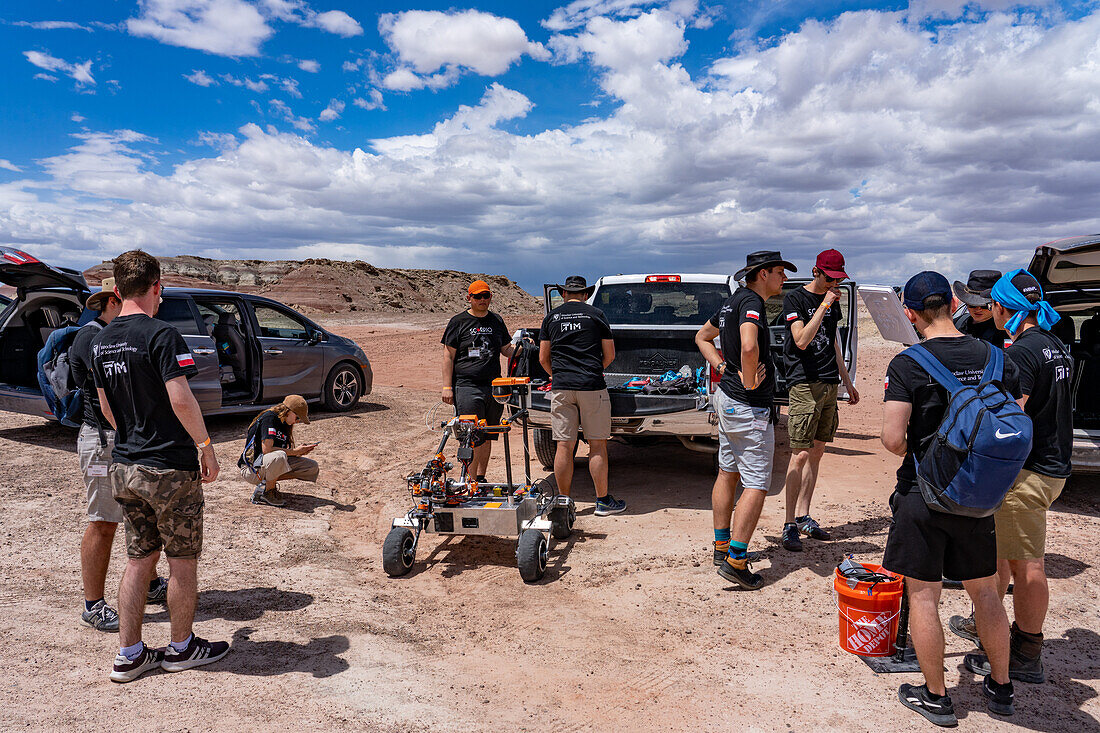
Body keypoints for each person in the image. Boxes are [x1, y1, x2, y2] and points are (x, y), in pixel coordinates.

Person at [880, 271, 1017, 726]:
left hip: (925, 494)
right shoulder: (997, 359)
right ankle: (1001, 686)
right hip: (979, 493)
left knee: (923, 598)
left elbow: (892, 438)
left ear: (910, 312)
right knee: (986, 594)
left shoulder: (908, 364)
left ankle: (936, 696)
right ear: (955, 301)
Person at [91, 250, 228, 683]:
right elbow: (181, 397)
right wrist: (204, 444)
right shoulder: (163, 335)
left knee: (138, 560)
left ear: (116, 290)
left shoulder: (101, 340)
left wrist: (132, 435)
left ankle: (129, 655)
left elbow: (106, 408)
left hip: (126, 464)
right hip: (168, 465)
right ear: (156, 287)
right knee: (182, 561)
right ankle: (182, 648)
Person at [952, 270, 1074, 685]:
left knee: (1027, 565)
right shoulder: (1055, 345)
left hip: (1028, 473)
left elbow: (1009, 419)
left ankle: (1026, 651)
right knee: (1003, 554)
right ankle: (991, 628)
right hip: (1053, 465)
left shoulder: (1021, 353)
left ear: (1003, 307)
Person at [70, 278, 167, 631]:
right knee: (104, 522)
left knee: (139, 514)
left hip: (122, 436)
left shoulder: (110, 335)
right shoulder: (92, 338)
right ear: (115, 301)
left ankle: (153, 585)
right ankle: (93, 605)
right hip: (103, 439)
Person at [695, 251, 793, 589]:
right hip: (748, 405)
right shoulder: (751, 303)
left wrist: (722, 367)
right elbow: (750, 346)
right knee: (756, 483)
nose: (783, 278)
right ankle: (736, 560)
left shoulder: (730, 302)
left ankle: (721, 548)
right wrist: (750, 378)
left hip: (727, 400)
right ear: (763, 274)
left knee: (727, 471)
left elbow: (702, 337)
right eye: (780, 272)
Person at [778, 249, 860, 552]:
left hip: (828, 383)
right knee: (799, 453)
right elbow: (801, 340)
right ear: (816, 272)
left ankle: (804, 515)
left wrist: (847, 382)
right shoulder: (796, 300)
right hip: (803, 383)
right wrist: (824, 305)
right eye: (829, 278)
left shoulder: (832, 302)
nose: (833, 284)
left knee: (817, 450)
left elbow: (834, 341)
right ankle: (788, 524)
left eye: (837, 279)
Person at [538, 275, 625, 516]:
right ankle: (603, 502)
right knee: (597, 446)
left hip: (562, 386)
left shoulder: (551, 318)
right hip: (591, 385)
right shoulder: (596, 315)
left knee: (564, 446)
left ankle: (564, 503)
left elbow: (543, 358)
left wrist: (559, 375)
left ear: (563, 294)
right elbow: (610, 354)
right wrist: (594, 371)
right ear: (585, 295)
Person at [441, 280, 514, 481]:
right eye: (478, 296)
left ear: (490, 297)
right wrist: (447, 386)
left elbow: (506, 349)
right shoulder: (458, 322)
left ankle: (480, 478)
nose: (482, 300)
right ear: (469, 298)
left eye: (486, 296)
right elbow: (448, 356)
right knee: (470, 435)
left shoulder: (497, 321)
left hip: (493, 387)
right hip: (467, 387)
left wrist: (524, 347)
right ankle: (469, 481)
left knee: (488, 434)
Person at [239, 395, 319, 507]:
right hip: (251, 469)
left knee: (311, 467)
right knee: (279, 456)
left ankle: (266, 484)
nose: (298, 421)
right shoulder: (270, 418)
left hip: (265, 465)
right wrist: (295, 452)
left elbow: (283, 453)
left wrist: (300, 452)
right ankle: (267, 492)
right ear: (289, 411)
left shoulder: (285, 423)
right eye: (297, 417)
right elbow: (267, 450)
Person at [952, 270, 1008, 347]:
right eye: (972, 304)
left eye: (984, 305)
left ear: (996, 304)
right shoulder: (957, 324)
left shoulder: (1007, 332)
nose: (978, 309)